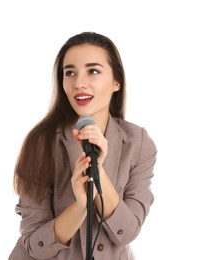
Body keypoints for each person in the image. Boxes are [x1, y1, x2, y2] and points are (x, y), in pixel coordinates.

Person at [9, 31, 157, 260]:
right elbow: (36, 245)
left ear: (116, 82)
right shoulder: (41, 143)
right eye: (70, 73)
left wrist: (99, 175)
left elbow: (127, 232)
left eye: (93, 71)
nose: (79, 83)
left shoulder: (138, 143)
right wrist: (80, 206)